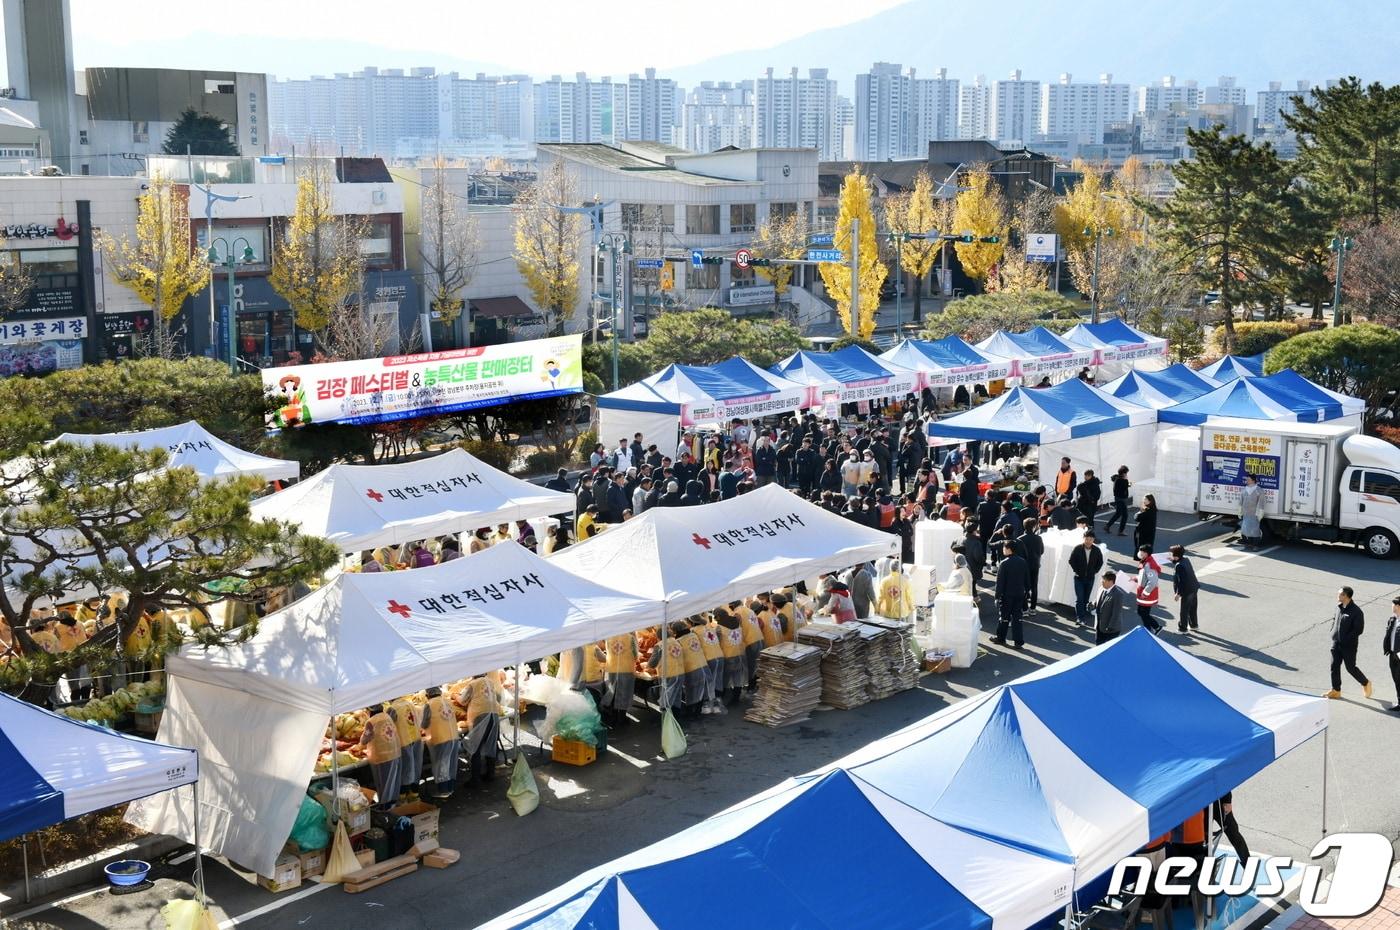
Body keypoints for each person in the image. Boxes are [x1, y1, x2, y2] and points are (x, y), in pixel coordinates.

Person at [1326, 586, 1372, 700]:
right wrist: (1332, 632)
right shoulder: (1338, 607)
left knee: (1350, 668)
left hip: (1348, 646)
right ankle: (1336, 690)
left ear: (1346, 596)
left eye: (1340, 594)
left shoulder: (1357, 612)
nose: (1338, 596)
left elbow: (1358, 630)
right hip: (1336, 643)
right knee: (1334, 666)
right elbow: (1334, 620)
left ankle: (1366, 683)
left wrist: (1346, 639)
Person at [359, 703, 402, 808]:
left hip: (382, 757)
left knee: (384, 784)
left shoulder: (371, 721)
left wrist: (360, 743)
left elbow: (364, 740)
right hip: (394, 752)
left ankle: (385, 808)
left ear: (370, 710)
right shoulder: (387, 716)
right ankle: (393, 804)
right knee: (393, 782)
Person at [422, 686, 460, 800]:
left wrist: (421, 729)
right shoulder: (447, 701)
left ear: (427, 695)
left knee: (441, 765)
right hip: (453, 735)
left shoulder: (429, 705)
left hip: (440, 738)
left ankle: (444, 791)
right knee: (451, 764)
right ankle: (451, 788)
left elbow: (424, 723)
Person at [993, 541, 1028, 648]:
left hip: (1007, 595)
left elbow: (1000, 582)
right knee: (1017, 618)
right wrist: (1026, 592)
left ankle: (1001, 638)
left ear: (1009, 549)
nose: (1003, 549)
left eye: (1004, 547)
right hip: (1019, 594)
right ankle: (1018, 641)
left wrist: (997, 596)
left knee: (1004, 617)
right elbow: (1027, 579)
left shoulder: (1004, 563)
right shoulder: (1023, 561)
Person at [390, 694, 426, 798]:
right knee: (416, 764)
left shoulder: (393, 708)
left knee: (405, 767)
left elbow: (389, 725)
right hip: (416, 737)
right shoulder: (409, 703)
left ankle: (403, 794)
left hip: (403, 740)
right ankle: (415, 791)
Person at [1069, 531, 1105, 627]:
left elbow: (1100, 562)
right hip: (1078, 578)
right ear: (1083, 538)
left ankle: (1083, 615)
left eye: (1090, 539)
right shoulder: (1077, 548)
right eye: (1087, 539)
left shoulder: (1096, 550)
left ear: (1093, 540)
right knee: (1079, 598)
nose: (1088, 541)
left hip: (1090, 578)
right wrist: (1076, 570)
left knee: (1085, 599)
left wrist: (1094, 571)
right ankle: (1080, 618)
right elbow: (1071, 560)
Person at [602, 632, 638, 726]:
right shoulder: (631, 638)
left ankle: (613, 716)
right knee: (624, 693)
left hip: (612, 668)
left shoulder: (609, 637)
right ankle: (622, 717)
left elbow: (607, 651)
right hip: (627, 668)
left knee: (613, 691)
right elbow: (635, 654)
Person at [714, 607, 747, 705]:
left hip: (728, 655)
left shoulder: (719, 628)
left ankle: (723, 698)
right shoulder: (737, 622)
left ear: (719, 616)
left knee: (726, 677)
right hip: (740, 652)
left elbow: (717, 642)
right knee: (738, 677)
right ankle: (736, 697)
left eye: (716, 617)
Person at [1169, 544, 1199, 633]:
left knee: (1184, 610)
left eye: (1171, 553)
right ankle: (1194, 625)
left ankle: (1183, 628)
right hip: (1194, 587)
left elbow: (1182, 581)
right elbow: (1180, 564)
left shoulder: (1179, 566)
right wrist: (1173, 561)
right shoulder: (1186, 560)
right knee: (1193, 608)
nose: (1170, 555)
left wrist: (1178, 594)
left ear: (1176, 555)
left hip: (1187, 590)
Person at [1135, 547, 1163, 634]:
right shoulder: (1145, 562)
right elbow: (1144, 576)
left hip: (1147, 594)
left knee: (1143, 613)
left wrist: (1145, 593)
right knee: (1142, 612)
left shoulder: (1149, 564)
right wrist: (1136, 578)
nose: (1139, 553)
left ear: (1146, 553)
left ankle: (1151, 629)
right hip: (1145, 593)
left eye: (1141, 551)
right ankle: (1153, 628)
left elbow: (1152, 581)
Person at [1018, 517, 1044, 612]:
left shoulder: (1020, 539)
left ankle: (1024, 608)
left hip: (1023, 566)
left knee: (1023, 587)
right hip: (1035, 564)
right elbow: (1041, 551)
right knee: (1034, 586)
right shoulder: (1038, 538)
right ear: (1034, 527)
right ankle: (1033, 608)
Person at [1093, 570, 1125, 644]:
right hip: (1100, 626)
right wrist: (1093, 604)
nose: (1102, 581)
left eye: (1104, 580)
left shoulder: (1118, 594)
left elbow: (1116, 613)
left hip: (1111, 630)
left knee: (1108, 650)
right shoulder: (1101, 588)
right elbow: (1098, 600)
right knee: (1098, 647)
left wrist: (1110, 627)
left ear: (1110, 581)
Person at [1383, 596, 1400, 713]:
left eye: (1393, 604)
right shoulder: (1393, 619)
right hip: (1393, 654)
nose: (1392, 606)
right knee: (1396, 679)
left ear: (1398, 606)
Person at [1239, 473, 1264, 550]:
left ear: (1253, 481)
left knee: (1255, 530)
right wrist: (1240, 511)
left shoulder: (1258, 490)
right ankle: (1248, 543)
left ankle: (1255, 545)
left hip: (1254, 514)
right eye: (1247, 479)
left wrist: (1260, 513)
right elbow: (1241, 501)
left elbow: (1261, 502)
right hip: (1246, 513)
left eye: (1248, 479)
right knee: (1245, 529)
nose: (1247, 481)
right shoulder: (1244, 489)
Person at [1105, 466, 1131, 536]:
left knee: (1118, 513)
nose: (1127, 474)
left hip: (1117, 498)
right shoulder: (1123, 480)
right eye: (1126, 473)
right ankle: (1121, 531)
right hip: (1122, 499)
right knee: (1125, 515)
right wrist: (1128, 481)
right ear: (1124, 473)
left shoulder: (1116, 479)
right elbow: (1127, 486)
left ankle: (1107, 526)